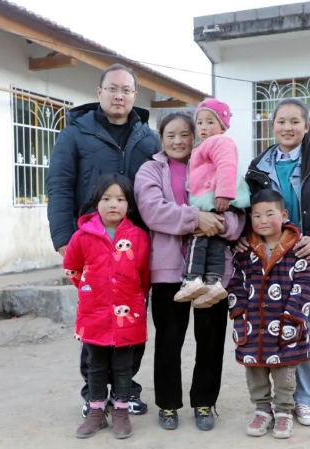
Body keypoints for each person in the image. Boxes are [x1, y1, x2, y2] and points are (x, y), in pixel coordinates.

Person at [47, 63, 160, 418]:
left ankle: (127, 391)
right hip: (92, 243)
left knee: (133, 318)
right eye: (112, 88)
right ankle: (94, 393)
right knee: (95, 318)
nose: (119, 96)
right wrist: (63, 237)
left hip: (135, 246)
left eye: (126, 90)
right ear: (99, 92)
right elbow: (60, 186)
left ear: (135, 96)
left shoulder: (148, 139)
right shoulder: (74, 134)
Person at [237, 97, 310, 427]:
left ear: (306, 126)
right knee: (267, 332)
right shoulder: (256, 171)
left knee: (306, 334)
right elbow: (242, 211)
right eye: (281, 121)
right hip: (266, 268)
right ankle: (273, 404)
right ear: (272, 126)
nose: (287, 127)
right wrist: (240, 236)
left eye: (294, 121)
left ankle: (303, 400)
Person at [134, 112, 245, 431]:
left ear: (195, 136)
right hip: (168, 271)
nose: (178, 141)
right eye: (171, 135)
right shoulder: (150, 170)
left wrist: (221, 224)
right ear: (161, 138)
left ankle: (204, 403)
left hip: (213, 273)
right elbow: (152, 210)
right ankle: (168, 405)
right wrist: (197, 218)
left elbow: (238, 211)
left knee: (211, 341)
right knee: (169, 341)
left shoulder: (215, 163)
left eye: (185, 134)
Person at [63, 173, 151, 440]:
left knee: (124, 366)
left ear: (129, 204)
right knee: (96, 365)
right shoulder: (82, 236)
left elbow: (144, 275)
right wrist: (88, 289)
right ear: (96, 202)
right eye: (106, 198)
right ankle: (96, 411)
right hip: (94, 313)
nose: (113, 204)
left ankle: (121, 411)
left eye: (120, 199)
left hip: (128, 313)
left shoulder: (138, 237)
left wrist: (136, 298)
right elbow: (72, 268)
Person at [228, 189, 310, 439]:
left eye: (270, 214)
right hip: (252, 325)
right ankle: (262, 410)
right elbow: (235, 283)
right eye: (256, 216)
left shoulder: (298, 248)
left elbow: (308, 282)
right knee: (255, 371)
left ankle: (283, 412)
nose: (263, 221)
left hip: (285, 325)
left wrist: (292, 316)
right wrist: (239, 312)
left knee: (284, 374)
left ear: (284, 214)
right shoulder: (244, 250)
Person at [173, 99, 250, 308]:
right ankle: (214, 281)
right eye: (199, 123)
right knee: (215, 240)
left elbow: (227, 165)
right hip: (217, 198)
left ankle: (192, 278)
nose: (203, 127)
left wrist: (224, 193)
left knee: (197, 237)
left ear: (222, 127)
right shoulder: (208, 144)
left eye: (210, 122)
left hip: (214, 198)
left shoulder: (219, 142)